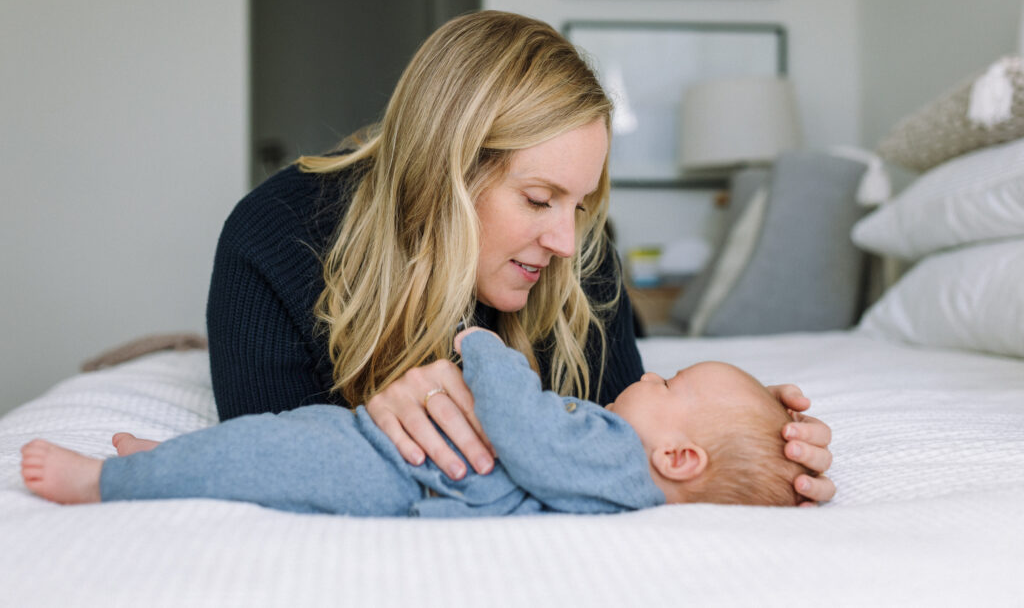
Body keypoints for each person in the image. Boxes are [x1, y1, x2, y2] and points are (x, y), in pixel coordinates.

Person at [204, 10, 835, 502]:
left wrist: (748, 447)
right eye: (538, 199)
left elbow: (626, 445)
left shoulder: (582, 257)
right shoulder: (271, 239)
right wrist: (371, 411)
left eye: (582, 204)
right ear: (442, 176)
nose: (566, 242)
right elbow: (263, 457)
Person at [21, 329, 810, 514]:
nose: (642, 373)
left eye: (668, 381)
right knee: (269, 444)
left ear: (676, 455)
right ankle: (176, 461)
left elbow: (527, 430)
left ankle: (103, 480)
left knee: (272, 454)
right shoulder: (625, 468)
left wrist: (489, 353)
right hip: (394, 454)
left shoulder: (614, 459)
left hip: (396, 471)